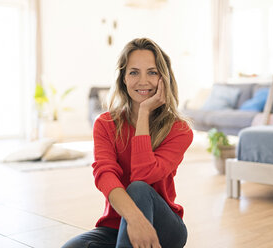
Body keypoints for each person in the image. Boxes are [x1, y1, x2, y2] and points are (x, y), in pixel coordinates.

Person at [62, 38, 193, 248]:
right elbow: (105, 175)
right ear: (123, 78)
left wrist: (143, 114)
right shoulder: (105, 124)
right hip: (116, 226)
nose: (143, 81)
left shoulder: (179, 129)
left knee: (139, 188)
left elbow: (143, 176)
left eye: (152, 72)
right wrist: (135, 219)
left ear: (163, 78)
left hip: (165, 229)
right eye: (134, 72)